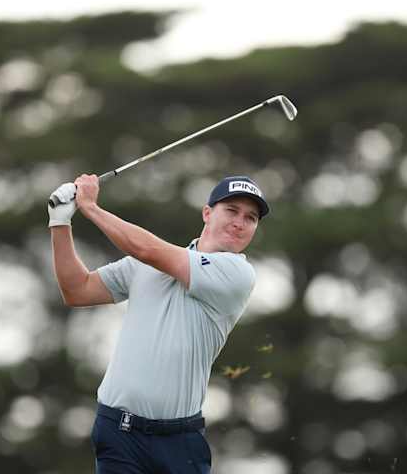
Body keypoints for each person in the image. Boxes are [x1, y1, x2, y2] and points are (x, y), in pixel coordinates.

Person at [47, 173, 269, 474]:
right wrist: (60, 224)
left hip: (179, 442)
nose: (239, 222)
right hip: (118, 433)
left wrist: (91, 208)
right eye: (231, 210)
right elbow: (78, 290)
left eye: (251, 218)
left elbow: (147, 250)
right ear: (207, 213)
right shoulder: (146, 266)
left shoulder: (237, 274)